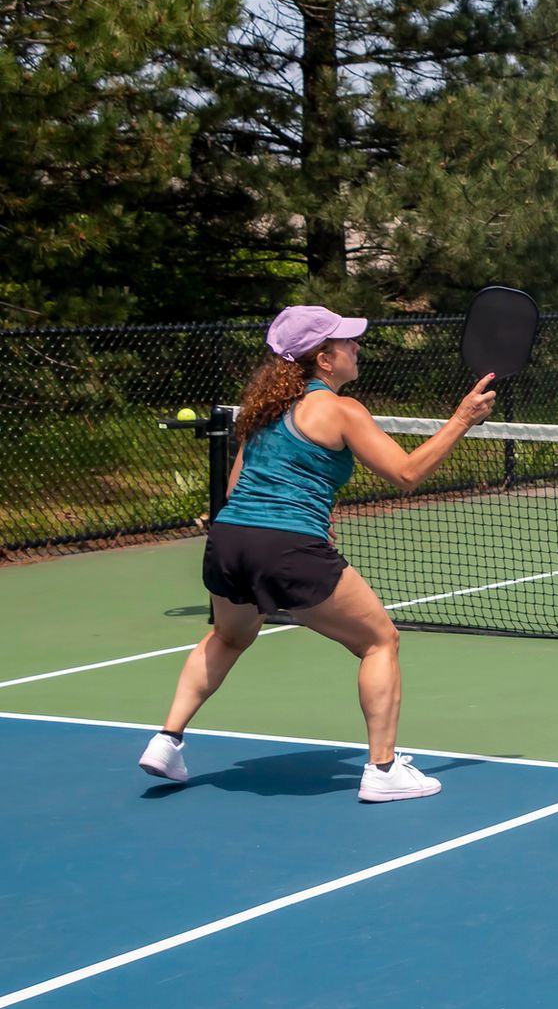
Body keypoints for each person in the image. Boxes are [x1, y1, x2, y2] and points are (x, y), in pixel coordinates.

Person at [137, 306, 497, 801]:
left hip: (229, 540)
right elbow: (407, 473)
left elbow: (237, 484)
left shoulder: (262, 411)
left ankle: (166, 740)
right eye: (347, 342)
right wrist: (462, 420)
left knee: (227, 636)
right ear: (323, 359)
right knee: (379, 642)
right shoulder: (341, 410)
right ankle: (383, 770)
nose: (356, 348)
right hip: (287, 546)